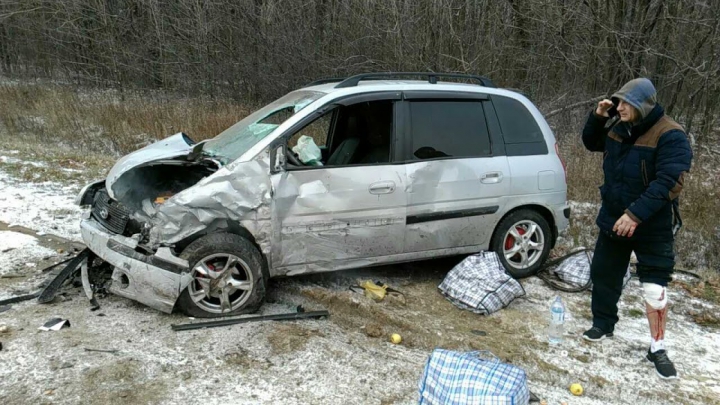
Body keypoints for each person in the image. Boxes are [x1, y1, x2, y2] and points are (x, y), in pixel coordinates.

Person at [581, 78, 692, 380]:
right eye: (618, 102)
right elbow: (591, 142)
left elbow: (668, 182)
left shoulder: (671, 135)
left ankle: (657, 347)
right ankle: (603, 324)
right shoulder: (619, 128)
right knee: (604, 274)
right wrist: (599, 116)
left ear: (644, 104)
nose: (620, 107)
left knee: (655, 289)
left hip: (651, 224)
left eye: (626, 102)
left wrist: (635, 215)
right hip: (614, 218)